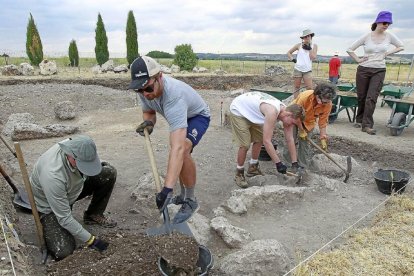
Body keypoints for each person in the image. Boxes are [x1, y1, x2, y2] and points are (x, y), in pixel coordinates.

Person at [128, 56, 210, 224]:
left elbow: (178, 149)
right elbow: (149, 112)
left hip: (197, 117)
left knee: (182, 150)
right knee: (177, 150)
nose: (145, 94)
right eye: (140, 91)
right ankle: (181, 196)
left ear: (160, 77)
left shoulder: (174, 96)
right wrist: (149, 124)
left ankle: (190, 200)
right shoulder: (145, 88)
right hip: (180, 116)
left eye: (148, 88)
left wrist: (166, 190)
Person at [30, 135, 117, 260]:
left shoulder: (78, 145)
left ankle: (93, 215)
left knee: (108, 173)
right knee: (64, 252)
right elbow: (64, 218)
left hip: (72, 188)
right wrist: (92, 241)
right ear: (71, 156)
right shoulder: (53, 176)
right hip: (50, 205)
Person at [229, 91, 305, 188]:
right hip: (239, 109)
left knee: (259, 139)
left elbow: (290, 139)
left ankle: (253, 167)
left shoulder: (287, 114)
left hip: (253, 111)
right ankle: (239, 173)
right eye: (293, 123)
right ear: (288, 114)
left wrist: (295, 163)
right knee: (245, 144)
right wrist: (278, 164)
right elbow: (267, 141)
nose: (292, 125)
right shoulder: (272, 112)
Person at [346, 11, 404, 135]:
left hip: (379, 69)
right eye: (384, 22)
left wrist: (387, 53)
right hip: (363, 69)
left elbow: (401, 46)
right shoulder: (367, 36)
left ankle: (367, 125)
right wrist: (358, 60)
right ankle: (360, 119)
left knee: (371, 98)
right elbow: (350, 49)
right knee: (362, 97)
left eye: (388, 23)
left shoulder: (389, 36)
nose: (386, 25)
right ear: (377, 22)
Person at [284, 82, 337, 170]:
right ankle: (288, 164)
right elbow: (296, 116)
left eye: (326, 102)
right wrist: (301, 130)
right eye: (323, 101)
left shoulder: (328, 104)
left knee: (305, 144)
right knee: (290, 140)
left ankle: (302, 166)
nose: (323, 104)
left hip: (309, 122)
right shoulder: (305, 97)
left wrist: (323, 136)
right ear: (317, 95)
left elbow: (323, 121)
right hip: (293, 117)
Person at [287, 29, 318, 98]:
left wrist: (309, 49)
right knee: (297, 87)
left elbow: (313, 58)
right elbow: (289, 53)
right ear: (303, 38)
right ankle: (296, 103)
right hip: (298, 69)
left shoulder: (314, 46)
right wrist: (293, 59)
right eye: (305, 37)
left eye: (308, 36)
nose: (307, 38)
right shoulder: (299, 45)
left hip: (307, 70)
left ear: (311, 36)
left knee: (309, 88)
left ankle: (309, 103)